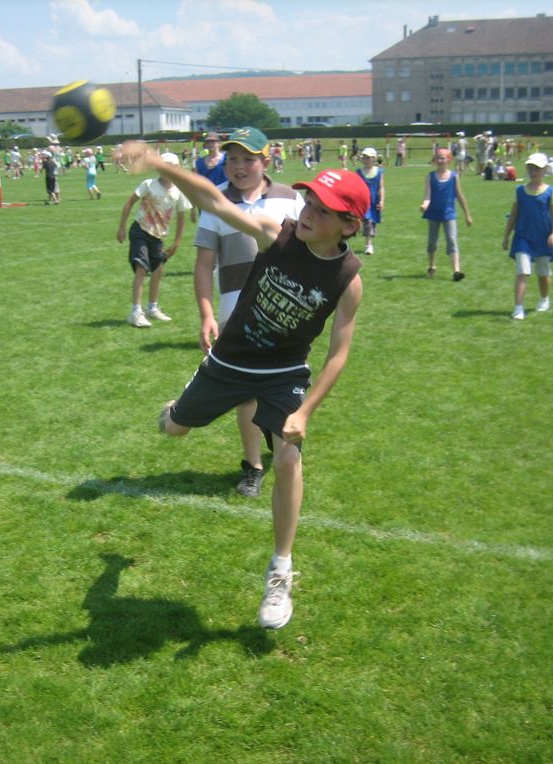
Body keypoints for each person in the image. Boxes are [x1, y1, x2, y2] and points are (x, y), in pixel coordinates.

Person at [122, 140, 369, 630]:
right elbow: (213, 202)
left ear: (349, 225)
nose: (309, 214)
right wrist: (157, 162)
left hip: (283, 373)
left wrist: (304, 412)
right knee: (173, 429)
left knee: (287, 458)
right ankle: (179, 409)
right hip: (230, 361)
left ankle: (280, 571)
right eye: (310, 203)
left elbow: (338, 353)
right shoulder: (275, 236)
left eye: (324, 211)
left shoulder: (347, 278)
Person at [193, 126, 305, 498]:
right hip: (235, 317)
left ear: (265, 160)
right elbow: (203, 265)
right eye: (232, 159)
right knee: (246, 395)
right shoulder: (215, 205)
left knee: (282, 389)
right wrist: (207, 314)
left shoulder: (290, 200)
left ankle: (281, 452)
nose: (238, 166)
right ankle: (253, 465)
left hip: (285, 318)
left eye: (247, 158)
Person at [116, 152, 191, 328]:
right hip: (140, 230)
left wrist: (177, 242)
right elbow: (129, 203)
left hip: (158, 237)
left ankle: (152, 308)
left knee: (158, 271)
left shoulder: (179, 191)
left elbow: (181, 218)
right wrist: (121, 227)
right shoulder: (149, 184)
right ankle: (135, 312)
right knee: (141, 268)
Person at [502, 153, 553, 321]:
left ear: (544, 170)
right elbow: (513, 215)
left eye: (536, 169)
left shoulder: (550, 192)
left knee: (543, 273)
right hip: (523, 237)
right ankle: (518, 308)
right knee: (523, 272)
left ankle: (544, 298)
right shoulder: (519, 191)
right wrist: (506, 236)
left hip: (543, 238)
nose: (533, 172)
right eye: (530, 168)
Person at [420, 147, 472, 281]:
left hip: (449, 214)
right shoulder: (430, 177)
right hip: (433, 214)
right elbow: (427, 196)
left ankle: (456, 271)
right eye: (438, 157)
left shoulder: (454, 176)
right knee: (432, 242)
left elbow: (460, 196)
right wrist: (424, 205)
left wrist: (467, 214)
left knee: (452, 240)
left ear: (449, 160)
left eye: (443, 157)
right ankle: (432, 266)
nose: (440, 160)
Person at [356, 147, 385, 256]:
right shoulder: (359, 172)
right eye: (364, 157)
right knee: (367, 221)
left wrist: (381, 200)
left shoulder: (379, 171)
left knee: (372, 222)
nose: (366, 159)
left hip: (374, 201)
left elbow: (381, 187)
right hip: (364, 201)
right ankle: (368, 245)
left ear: (373, 158)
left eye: (368, 157)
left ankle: (370, 238)